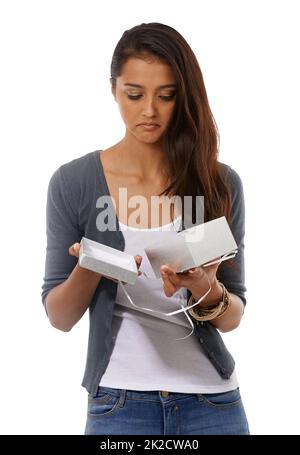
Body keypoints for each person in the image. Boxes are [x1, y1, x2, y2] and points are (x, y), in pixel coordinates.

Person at [41, 22, 249, 435]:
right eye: (134, 94)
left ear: (183, 96)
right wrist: (93, 265)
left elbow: (233, 315)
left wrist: (206, 287)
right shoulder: (74, 183)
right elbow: (59, 317)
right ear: (113, 88)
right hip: (119, 404)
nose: (149, 111)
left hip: (212, 402)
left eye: (166, 96)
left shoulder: (219, 183)